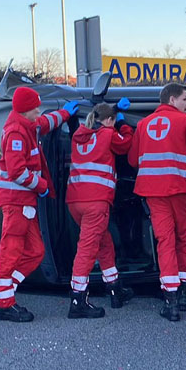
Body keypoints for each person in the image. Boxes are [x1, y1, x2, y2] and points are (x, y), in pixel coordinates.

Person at [0, 87, 78, 322]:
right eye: (35, 107)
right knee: (10, 252)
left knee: (36, 251)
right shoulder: (16, 133)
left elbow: (44, 122)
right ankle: (5, 304)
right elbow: (17, 171)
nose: (38, 110)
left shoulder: (28, 125)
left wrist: (65, 114)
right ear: (24, 110)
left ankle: (5, 290)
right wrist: (41, 185)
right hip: (16, 202)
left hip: (24, 201)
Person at [129, 83, 186, 321]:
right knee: (183, 238)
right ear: (173, 99)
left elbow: (133, 159)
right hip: (180, 189)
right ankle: (185, 292)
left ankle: (171, 300)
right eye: (185, 99)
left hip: (153, 192)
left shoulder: (143, 125)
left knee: (165, 241)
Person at [66, 100, 135, 319]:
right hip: (96, 202)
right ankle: (78, 299)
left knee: (103, 243)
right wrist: (123, 123)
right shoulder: (107, 134)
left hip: (75, 202)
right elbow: (127, 145)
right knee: (87, 249)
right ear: (108, 121)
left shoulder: (78, 136)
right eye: (113, 121)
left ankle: (114, 289)